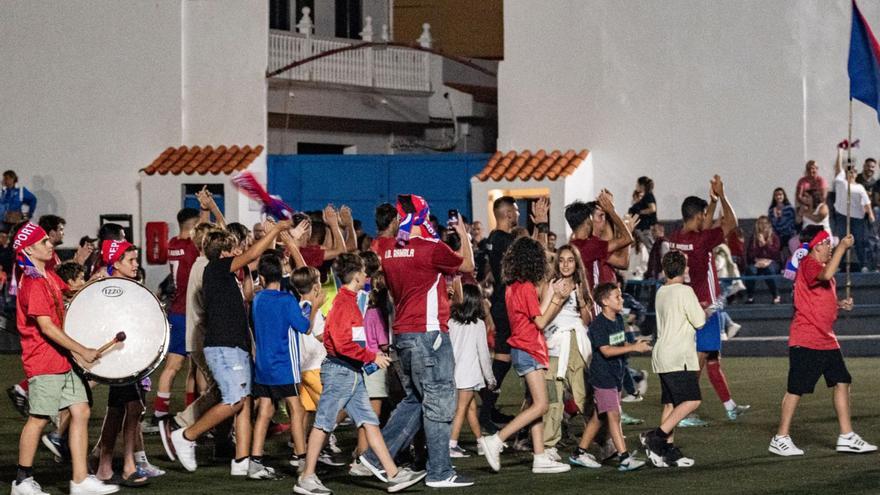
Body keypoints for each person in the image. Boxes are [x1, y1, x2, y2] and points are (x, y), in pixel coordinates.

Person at [360, 194, 475, 488]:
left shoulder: (384, 248)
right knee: (437, 403)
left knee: (415, 400)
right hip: (430, 333)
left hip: (402, 333)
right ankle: (440, 471)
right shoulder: (431, 248)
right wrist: (462, 233)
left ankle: (375, 456)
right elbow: (467, 266)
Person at [294, 254, 426, 495]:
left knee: (370, 422)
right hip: (341, 372)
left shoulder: (348, 301)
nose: (367, 276)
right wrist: (371, 357)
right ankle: (306, 477)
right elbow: (342, 343)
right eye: (364, 272)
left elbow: (340, 341)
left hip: (349, 373)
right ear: (356, 276)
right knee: (324, 424)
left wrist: (366, 358)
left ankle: (393, 474)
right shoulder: (346, 304)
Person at [168, 220, 290, 474]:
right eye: (234, 249)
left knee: (244, 402)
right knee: (234, 400)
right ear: (224, 253)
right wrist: (276, 231)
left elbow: (250, 280)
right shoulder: (216, 268)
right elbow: (254, 254)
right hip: (223, 346)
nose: (239, 252)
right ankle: (187, 435)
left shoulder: (229, 275)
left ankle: (241, 461)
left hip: (236, 345)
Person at [10, 221, 117, 495]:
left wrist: (97, 284)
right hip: (44, 360)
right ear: (29, 249)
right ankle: (22, 481)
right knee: (39, 418)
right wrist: (82, 350)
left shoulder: (47, 275)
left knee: (80, 410)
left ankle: (80, 480)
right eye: (45, 241)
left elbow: (69, 291)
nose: (51, 244)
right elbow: (46, 327)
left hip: (61, 359)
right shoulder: (33, 282)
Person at [769, 226, 877, 456]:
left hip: (825, 338)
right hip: (807, 338)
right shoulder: (809, 263)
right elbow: (826, 275)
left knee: (842, 380)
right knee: (796, 389)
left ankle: (846, 436)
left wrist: (839, 304)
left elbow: (818, 298)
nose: (830, 247)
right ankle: (780, 437)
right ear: (817, 245)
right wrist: (842, 248)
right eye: (828, 243)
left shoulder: (820, 268)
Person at [479, 236, 573, 474]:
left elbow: (536, 315)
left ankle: (539, 456)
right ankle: (497, 440)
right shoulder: (526, 288)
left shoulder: (513, 287)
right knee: (541, 405)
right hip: (529, 348)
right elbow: (541, 320)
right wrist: (558, 299)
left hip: (525, 348)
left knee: (534, 403)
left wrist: (552, 294)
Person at [665, 175, 750, 423]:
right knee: (699, 361)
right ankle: (683, 410)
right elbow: (732, 222)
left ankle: (730, 406)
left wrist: (710, 202)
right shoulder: (703, 241)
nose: (708, 218)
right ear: (699, 216)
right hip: (707, 308)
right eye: (705, 214)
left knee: (712, 360)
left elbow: (703, 226)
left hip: (686, 305)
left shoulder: (675, 238)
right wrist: (722, 196)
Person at [93, 240, 157, 487]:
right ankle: (127, 465)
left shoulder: (128, 285)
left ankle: (104, 464)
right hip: (120, 358)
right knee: (133, 408)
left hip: (131, 357)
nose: (135, 264)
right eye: (130, 260)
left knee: (118, 410)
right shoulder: (110, 287)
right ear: (115, 263)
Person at [572, 283, 650, 472]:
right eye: (617, 297)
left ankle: (579, 453)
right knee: (614, 416)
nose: (621, 300)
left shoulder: (617, 319)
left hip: (614, 376)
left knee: (599, 418)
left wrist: (632, 343)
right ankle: (624, 458)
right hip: (603, 377)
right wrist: (633, 348)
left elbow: (618, 343)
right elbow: (606, 351)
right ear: (605, 301)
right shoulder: (598, 324)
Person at [249, 253, 312, 480]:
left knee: (265, 410)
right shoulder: (287, 301)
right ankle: (302, 458)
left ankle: (255, 461)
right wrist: (313, 307)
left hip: (263, 367)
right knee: (297, 409)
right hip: (284, 365)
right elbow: (304, 327)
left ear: (262, 278)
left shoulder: (257, 300)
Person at [640, 251, 705, 468]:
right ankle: (655, 438)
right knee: (692, 400)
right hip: (679, 355)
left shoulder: (661, 291)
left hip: (662, 354)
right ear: (684, 268)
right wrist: (704, 309)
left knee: (670, 404)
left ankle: (666, 452)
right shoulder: (685, 291)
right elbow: (699, 321)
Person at [537, 245, 594, 466]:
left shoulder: (580, 285)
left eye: (570, 260)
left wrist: (580, 301)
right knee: (553, 397)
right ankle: (549, 444)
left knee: (584, 395)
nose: (566, 264)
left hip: (576, 345)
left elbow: (586, 320)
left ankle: (601, 438)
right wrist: (557, 298)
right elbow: (542, 316)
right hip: (554, 346)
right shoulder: (551, 285)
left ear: (576, 263)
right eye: (562, 260)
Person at [146, 207, 201, 432]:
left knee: (173, 367)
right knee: (195, 368)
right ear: (195, 225)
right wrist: (207, 210)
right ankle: (189, 415)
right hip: (192, 313)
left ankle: (161, 413)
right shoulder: (190, 247)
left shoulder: (173, 245)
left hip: (176, 311)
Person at [478, 196, 519, 431]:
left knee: (504, 357)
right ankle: (485, 414)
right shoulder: (506, 240)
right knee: (503, 357)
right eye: (515, 210)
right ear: (508, 214)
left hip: (500, 303)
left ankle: (489, 408)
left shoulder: (492, 238)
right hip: (507, 304)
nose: (518, 214)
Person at [448, 284, 495, 458]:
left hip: (454, 372)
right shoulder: (478, 325)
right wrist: (490, 378)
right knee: (462, 408)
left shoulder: (451, 323)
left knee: (470, 409)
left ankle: (481, 442)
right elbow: (483, 354)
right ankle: (451, 444)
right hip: (469, 374)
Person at [833, 149, 875, 271]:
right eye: (849, 171)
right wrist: (840, 152)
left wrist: (871, 215)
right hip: (842, 216)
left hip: (857, 219)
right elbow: (838, 167)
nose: (852, 173)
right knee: (842, 241)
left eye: (854, 171)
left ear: (856, 174)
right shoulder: (841, 182)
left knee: (859, 242)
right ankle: (836, 266)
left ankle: (864, 265)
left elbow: (867, 203)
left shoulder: (860, 187)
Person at [745, 215, 782, 304]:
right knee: (750, 270)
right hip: (758, 262)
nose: (763, 226)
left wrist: (765, 244)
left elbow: (775, 253)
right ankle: (750, 296)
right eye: (760, 224)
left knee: (769, 269)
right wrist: (757, 260)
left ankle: (776, 295)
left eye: (765, 223)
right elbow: (749, 255)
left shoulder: (774, 237)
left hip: (771, 262)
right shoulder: (753, 238)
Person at [628, 176, 658, 249]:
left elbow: (653, 209)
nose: (636, 186)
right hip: (642, 227)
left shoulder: (648, 195)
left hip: (646, 227)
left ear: (641, 186)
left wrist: (639, 212)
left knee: (650, 248)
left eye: (637, 184)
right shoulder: (646, 196)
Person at [768, 187, 798, 255]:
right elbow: (771, 225)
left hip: (789, 234)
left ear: (784, 196)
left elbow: (790, 223)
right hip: (778, 235)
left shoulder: (790, 209)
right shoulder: (771, 211)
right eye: (776, 195)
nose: (778, 197)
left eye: (780, 194)